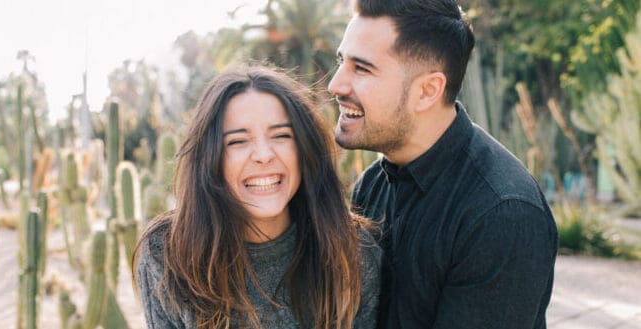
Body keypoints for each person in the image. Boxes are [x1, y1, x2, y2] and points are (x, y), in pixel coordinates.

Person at [328, 0, 558, 328]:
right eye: (341, 61)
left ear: (427, 91)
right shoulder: (372, 185)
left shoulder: (501, 212)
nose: (335, 85)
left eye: (361, 68)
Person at [134, 65, 381, 329]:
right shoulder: (166, 255)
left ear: (304, 149)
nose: (264, 155)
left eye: (281, 136)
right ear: (210, 159)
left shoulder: (352, 252)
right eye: (238, 141)